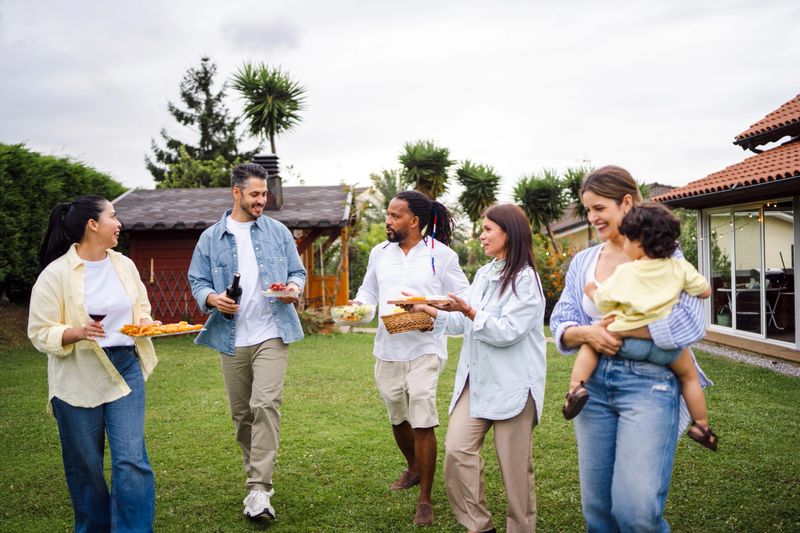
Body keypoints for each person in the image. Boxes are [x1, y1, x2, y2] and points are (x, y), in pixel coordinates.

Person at [549, 166, 712, 532]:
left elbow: (691, 323)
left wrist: (624, 330)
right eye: (587, 210)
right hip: (593, 389)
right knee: (599, 511)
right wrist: (587, 334)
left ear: (626, 201)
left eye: (599, 208)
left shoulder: (665, 256)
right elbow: (562, 320)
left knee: (637, 511)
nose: (592, 218)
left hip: (649, 385)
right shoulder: (584, 262)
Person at [410, 203, 545, 533]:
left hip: (513, 384)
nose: (481, 236)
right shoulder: (485, 273)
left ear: (508, 234)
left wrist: (469, 312)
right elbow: (463, 320)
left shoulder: (526, 280)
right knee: (457, 450)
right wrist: (429, 310)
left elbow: (507, 331)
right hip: (477, 379)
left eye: (487, 229)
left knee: (515, 471)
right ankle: (479, 525)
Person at [28, 195, 159, 532]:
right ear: (93, 224)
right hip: (78, 375)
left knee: (130, 461)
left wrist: (146, 323)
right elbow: (39, 331)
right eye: (113, 216)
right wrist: (76, 332)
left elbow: (140, 307)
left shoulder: (124, 265)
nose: (119, 223)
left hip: (124, 367)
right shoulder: (55, 275)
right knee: (84, 465)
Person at [188, 163, 306, 520]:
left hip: (272, 329)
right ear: (236, 193)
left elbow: (297, 272)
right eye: (255, 194)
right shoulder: (210, 237)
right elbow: (198, 281)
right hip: (231, 334)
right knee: (242, 414)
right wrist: (212, 299)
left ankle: (258, 489)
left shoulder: (278, 231)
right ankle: (258, 474)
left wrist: (293, 289)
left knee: (265, 404)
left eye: (264, 194)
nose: (261, 201)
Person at [352, 190, 469, 526]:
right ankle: (415, 466)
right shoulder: (379, 253)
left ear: (414, 221)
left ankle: (426, 499)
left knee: (422, 413)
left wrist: (431, 304)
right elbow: (368, 292)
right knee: (397, 414)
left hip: (425, 347)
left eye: (394, 216)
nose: (387, 221)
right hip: (387, 347)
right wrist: (359, 308)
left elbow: (462, 297)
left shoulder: (442, 256)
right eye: (388, 215)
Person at [564, 202, 718, 450]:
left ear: (639, 242)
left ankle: (575, 389)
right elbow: (705, 291)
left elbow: (605, 303)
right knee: (689, 375)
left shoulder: (627, 271)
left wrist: (593, 291)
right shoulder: (680, 267)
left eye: (627, 240)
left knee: (591, 346)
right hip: (664, 347)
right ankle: (701, 425)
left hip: (624, 341)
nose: (624, 245)